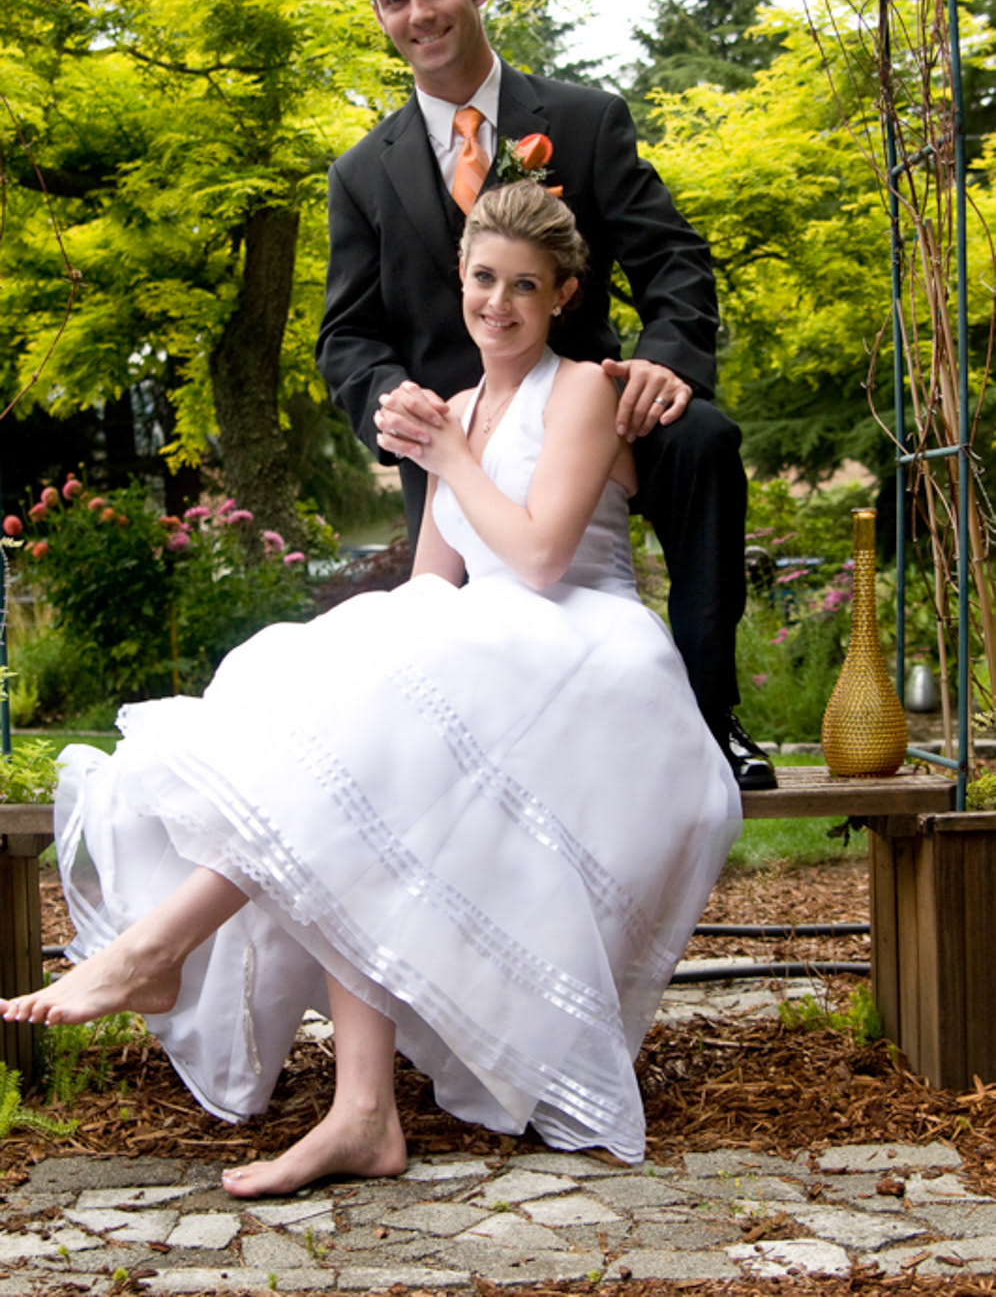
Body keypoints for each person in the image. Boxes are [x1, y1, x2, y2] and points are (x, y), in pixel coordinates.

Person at [1, 184, 740, 1190]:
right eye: (484, 278)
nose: (499, 303)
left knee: (387, 699)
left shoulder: (585, 392)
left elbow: (534, 555)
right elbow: (436, 582)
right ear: (461, 280)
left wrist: (443, 456)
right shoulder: (462, 405)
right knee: (340, 697)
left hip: (589, 647)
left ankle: (160, 949)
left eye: (525, 285)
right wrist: (379, 611)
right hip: (495, 642)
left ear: (563, 294)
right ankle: (361, 1113)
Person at [315, 0, 776, 792]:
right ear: (380, 14)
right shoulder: (361, 174)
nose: (420, 13)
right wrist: (395, 403)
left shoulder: (585, 118)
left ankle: (709, 720)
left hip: (592, 407)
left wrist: (665, 362)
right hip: (462, 437)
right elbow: (347, 333)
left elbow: (672, 258)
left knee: (705, 440)